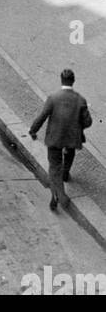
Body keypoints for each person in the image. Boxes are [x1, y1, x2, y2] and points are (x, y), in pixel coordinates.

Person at [29, 68, 92, 212]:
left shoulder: (53, 98)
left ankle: (57, 194)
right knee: (69, 156)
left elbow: (42, 116)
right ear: (73, 81)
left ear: (61, 80)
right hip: (71, 139)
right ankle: (66, 173)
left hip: (55, 138)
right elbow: (88, 122)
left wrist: (33, 130)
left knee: (54, 166)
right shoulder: (80, 100)